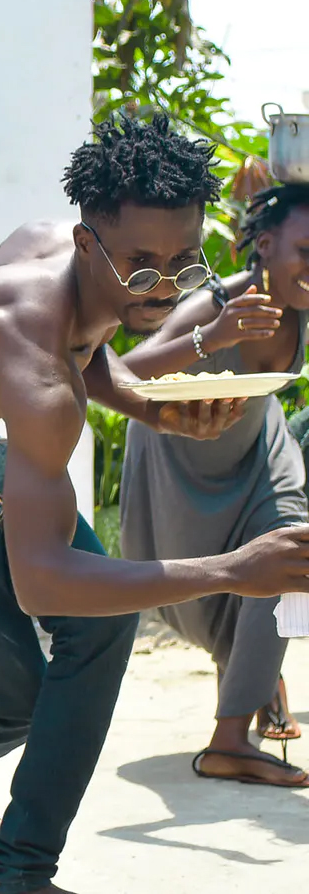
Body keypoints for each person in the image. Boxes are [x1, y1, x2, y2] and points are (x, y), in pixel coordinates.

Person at [0, 113, 309, 894]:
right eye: (140, 265)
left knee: (103, 621)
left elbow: (89, 342)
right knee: (18, 695)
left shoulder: (59, 255)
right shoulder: (36, 379)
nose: (165, 285)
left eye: (186, 261)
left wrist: (149, 406)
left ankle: (17, 871)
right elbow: (45, 581)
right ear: (87, 245)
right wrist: (230, 568)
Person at [119, 182, 309, 787]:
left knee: (293, 553)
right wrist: (216, 336)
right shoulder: (216, 304)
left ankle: (230, 740)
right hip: (184, 466)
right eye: (306, 249)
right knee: (225, 583)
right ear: (267, 244)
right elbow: (120, 375)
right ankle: (257, 682)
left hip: (260, 449)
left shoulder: (301, 305)